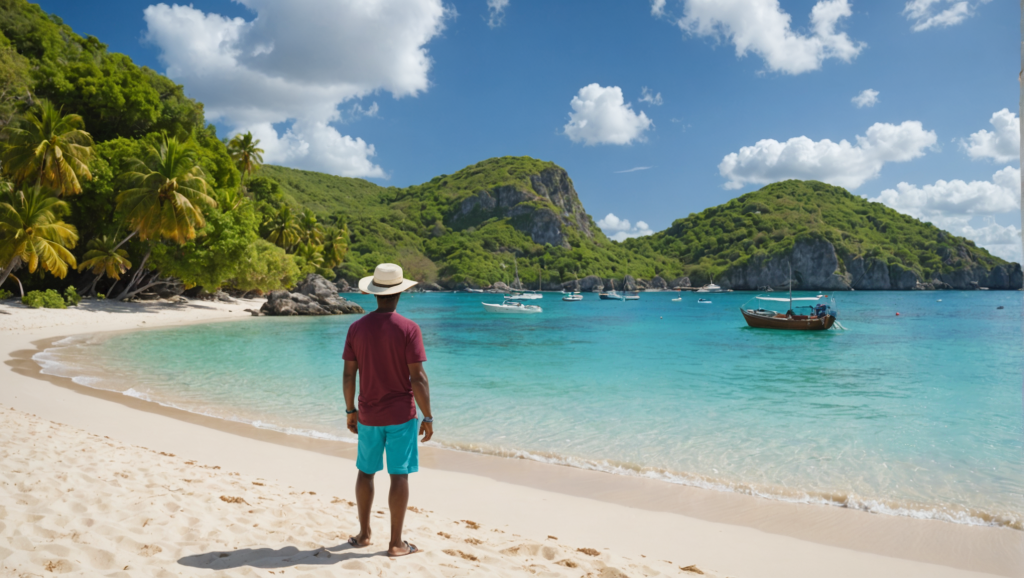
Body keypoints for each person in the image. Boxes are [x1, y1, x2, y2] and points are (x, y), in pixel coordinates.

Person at [343, 263, 433, 557]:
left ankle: (364, 534)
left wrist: (350, 410)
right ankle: (396, 543)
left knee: (366, 472)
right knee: (399, 475)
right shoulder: (409, 329)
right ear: (399, 293)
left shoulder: (356, 328)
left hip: (368, 414)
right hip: (401, 416)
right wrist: (428, 416)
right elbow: (417, 377)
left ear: (374, 293)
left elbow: (348, 375)